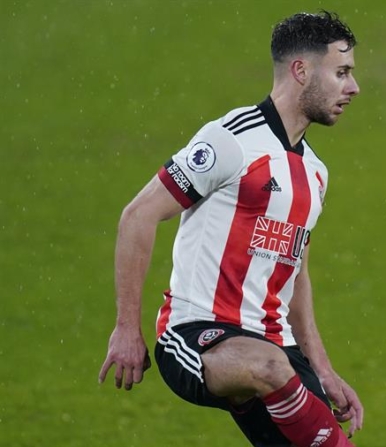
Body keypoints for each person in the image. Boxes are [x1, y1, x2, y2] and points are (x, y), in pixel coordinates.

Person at [98, 11, 363, 447]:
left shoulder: (316, 173)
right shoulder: (231, 141)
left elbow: (296, 278)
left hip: (277, 348)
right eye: (341, 72)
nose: (353, 88)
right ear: (301, 71)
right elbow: (138, 216)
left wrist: (323, 369)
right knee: (269, 368)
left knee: (275, 369)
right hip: (197, 336)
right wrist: (128, 327)